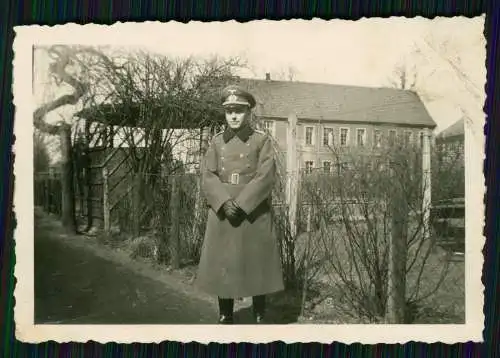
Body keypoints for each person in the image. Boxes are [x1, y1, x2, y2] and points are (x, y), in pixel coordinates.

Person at [195, 84, 284, 324]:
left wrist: (243, 204)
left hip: (252, 211)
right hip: (223, 211)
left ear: (248, 113)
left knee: (256, 262)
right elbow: (208, 174)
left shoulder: (261, 141)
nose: (233, 116)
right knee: (225, 263)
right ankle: (225, 313)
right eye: (229, 111)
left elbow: (266, 175)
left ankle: (259, 313)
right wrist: (224, 202)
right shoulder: (216, 142)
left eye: (239, 111)